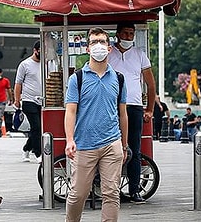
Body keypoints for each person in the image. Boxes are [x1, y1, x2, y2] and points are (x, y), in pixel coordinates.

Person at [65, 27, 129, 222]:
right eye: (94, 42)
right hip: (84, 145)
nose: (98, 46)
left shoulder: (118, 78)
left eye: (102, 41)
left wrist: (124, 145)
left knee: (111, 194)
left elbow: (123, 114)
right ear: (87, 48)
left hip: (112, 143)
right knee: (78, 194)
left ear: (109, 48)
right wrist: (69, 140)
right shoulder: (77, 78)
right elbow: (71, 111)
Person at [107, 22, 156, 203]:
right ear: (118, 34)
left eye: (131, 34)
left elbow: (150, 84)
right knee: (111, 148)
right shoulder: (109, 53)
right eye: (126, 33)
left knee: (134, 148)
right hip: (111, 105)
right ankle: (110, 189)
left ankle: (134, 190)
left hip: (134, 106)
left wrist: (150, 109)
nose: (129, 37)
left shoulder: (140, 55)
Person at [14, 40, 42, 163]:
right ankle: (38, 153)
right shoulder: (25, 65)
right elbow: (18, 83)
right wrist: (17, 99)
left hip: (43, 100)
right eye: (40, 51)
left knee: (40, 128)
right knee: (36, 127)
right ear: (35, 50)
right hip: (28, 100)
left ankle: (27, 148)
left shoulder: (47, 63)